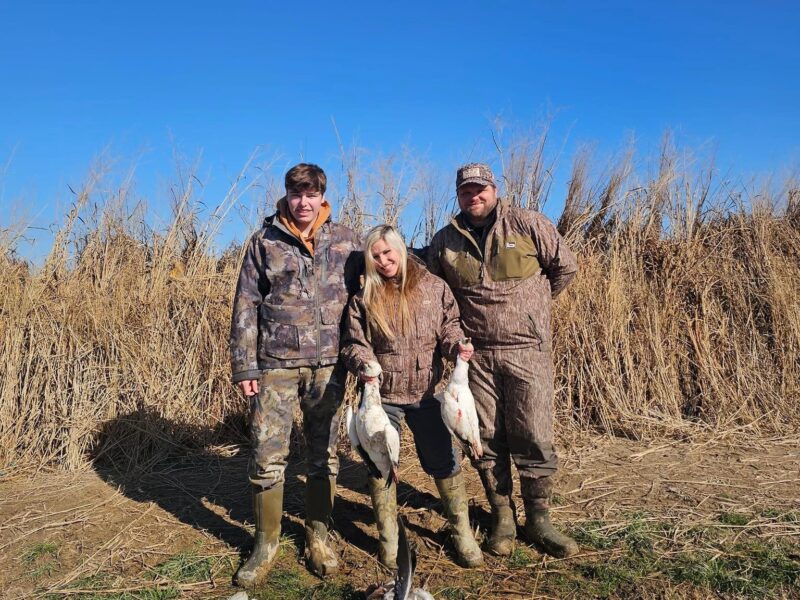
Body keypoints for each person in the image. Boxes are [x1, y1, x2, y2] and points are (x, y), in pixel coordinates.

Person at [423, 163, 580, 558]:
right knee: (486, 437)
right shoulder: (445, 240)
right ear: (458, 195)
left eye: (480, 189)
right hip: (475, 357)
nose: (473, 196)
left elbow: (565, 268)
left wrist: (531, 314)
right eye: (466, 191)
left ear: (494, 189)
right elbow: (432, 287)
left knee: (534, 433)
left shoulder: (529, 224)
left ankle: (539, 519)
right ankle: (502, 515)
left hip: (528, 350)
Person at [229, 163, 361, 586]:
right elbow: (246, 303)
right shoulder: (264, 241)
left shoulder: (345, 240)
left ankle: (318, 536)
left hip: (329, 366)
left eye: (311, 194)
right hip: (274, 367)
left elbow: (366, 297)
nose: (303, 202)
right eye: (295, 193)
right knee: (267, 456)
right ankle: (265, 544)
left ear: (323, 196)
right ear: (286, 195)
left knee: (324, 454)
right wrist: (244, 364)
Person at [340, 224, 484, 569]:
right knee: (379, 464)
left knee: (445, 462)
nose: (384, 260)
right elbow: (352, 344)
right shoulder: (364, 297)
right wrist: (362, 363)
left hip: (428, 394)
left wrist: (457, 347)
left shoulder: (434, 288)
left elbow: (450, 326)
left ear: (401, 251)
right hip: (381, 399)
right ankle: (389, 540)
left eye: (389, 252)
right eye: (376, 256)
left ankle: (461, 532)